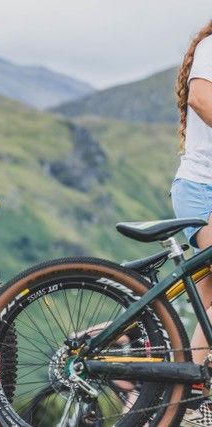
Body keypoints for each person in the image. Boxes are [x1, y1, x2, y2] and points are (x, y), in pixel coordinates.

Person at [171, 20, 212, 424]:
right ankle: (193, 392)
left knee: (207, 301)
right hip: (204, 189)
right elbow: (201, 98)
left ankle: (188, 389)